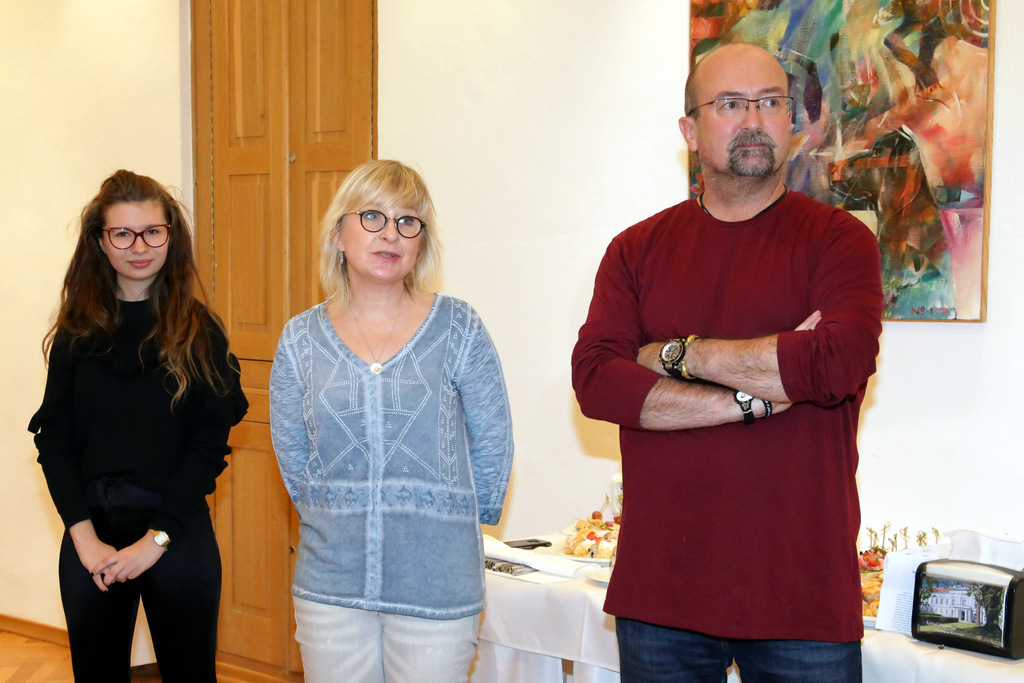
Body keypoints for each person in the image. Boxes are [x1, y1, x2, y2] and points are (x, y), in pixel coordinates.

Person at [571, 43, 884, 682]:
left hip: (801, 593)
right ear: (689, 130)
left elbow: (836, 363)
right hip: (661, 592)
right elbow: (598, 382)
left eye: (770, 102)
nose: (754, 119)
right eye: (731, 104)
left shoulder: (839, 241)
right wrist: (755, 397)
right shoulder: (636, 250)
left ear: (791, 121)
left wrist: (675, 355)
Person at [269, 159, 514, 683]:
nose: (391, 234)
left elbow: (492, 441)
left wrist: (454, 528)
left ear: (421, 242)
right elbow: (292, 452)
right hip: (331, 585)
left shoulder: (459, 326)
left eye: (408, 221)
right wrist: (331, 520)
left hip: (437, 586)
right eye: (372, 217)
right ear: (339, 234)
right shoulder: (299, 338)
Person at [29, 170, 248, 682]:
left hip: (175, 530)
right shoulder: (76, 333)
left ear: (171, 234)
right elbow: (54, 441)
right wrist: (85, 540)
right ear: (100, 241)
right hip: (92, 534)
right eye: (123, 234)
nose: (140, 247)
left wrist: (155, 541)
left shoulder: (199, 331)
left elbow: (207, 447)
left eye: (152, 231)